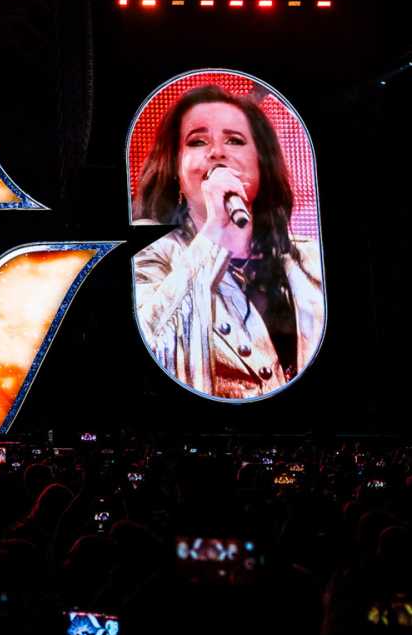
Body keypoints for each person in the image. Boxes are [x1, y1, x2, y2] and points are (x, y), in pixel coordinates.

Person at [131, 84, 325, 400]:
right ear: (176, 168)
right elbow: (154, 345)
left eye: (234, 140)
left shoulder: (310, 259)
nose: (217, 152)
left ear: (261, 162)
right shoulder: (151, 249)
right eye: (198, 141)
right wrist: (214, 231)